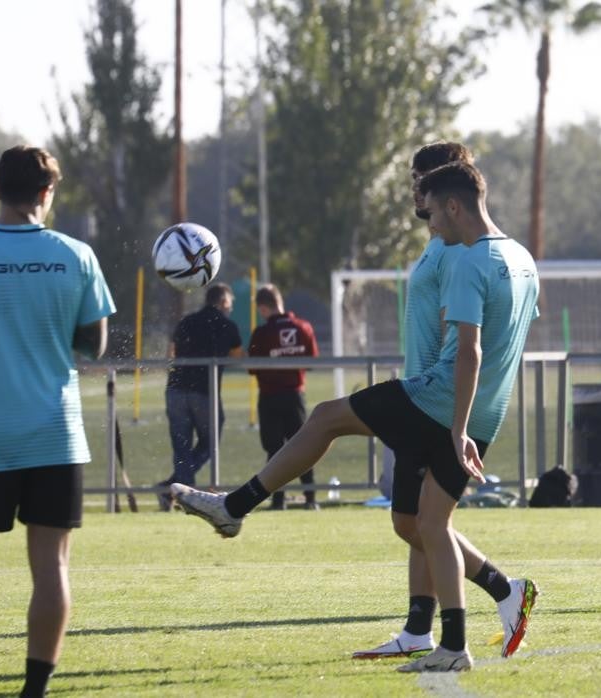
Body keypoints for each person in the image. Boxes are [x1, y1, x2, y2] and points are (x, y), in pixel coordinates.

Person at [171, 161, 541, 673]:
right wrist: (470, 425)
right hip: (483, 415)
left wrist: (455, 428)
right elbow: (510, 342)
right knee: (425, 525)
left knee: (325, 417)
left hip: (438, 402)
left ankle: (235, 505)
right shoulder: (522, 258)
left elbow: (470, 352)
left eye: (431, 211)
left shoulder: (469, 261)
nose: (428, 222)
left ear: (453, 205)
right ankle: (463, 632)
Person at [350, 143, 537, 663]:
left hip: (439, 403)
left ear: (448, 194)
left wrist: (449, 409)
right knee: (414, 523)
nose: (417, 196)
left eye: (420, 183)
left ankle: (457, 634)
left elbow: (469, 341)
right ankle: (431, 626)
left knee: (427, 523)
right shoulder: (453, 242)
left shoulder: (462, 247)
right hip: (432, 395)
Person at [0, 146, 115, 698]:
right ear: (47, 194)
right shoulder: (75, 255)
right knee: (50, 566)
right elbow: (93, 345)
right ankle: (33, 691)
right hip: (55, 433)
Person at [158, 282, 243, 508]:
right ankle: (178, 492)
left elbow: (171, 352)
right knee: (211, 442)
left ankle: (174, 489)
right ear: (224, 302)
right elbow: (237, 357)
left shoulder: (186, 321)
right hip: (204, 392)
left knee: (181, 446)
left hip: (175, 389)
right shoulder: (228, 326)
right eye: (230, 304)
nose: (230, 308)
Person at [247, 283, 320, 511]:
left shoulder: (261, 333)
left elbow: (252, 367)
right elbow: (312, 360)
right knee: (302, 447)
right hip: (295, 394)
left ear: (262, 308)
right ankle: (310, 499)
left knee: (274, 451)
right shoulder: (304, 327)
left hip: (270, 397)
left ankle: (278, 501)